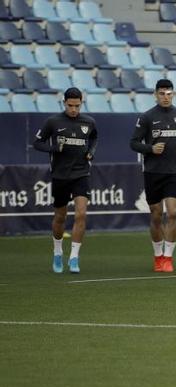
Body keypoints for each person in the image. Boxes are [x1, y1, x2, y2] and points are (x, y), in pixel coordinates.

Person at [129, 78, 176, 273]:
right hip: (153, 172)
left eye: (169, 94)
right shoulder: (147, 117)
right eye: (162, 94)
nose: (166, 97)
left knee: (173, 213)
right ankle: (158, 256)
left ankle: (168, 257)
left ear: (173, 94)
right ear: (155, 94)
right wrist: (150, 148)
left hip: (175, 171)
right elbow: (133, 142)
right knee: (156, 215)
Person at [32, 87, 97, 274]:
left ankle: (74, 257)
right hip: (60, 175)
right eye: (70, 106)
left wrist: (91, 153)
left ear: (81, 103)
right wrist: (54, 148)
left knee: (81, 214)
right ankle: (58, 252)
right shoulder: (53, 121)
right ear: (64, 103)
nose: (74, 110)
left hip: (81, 173)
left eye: (77, 106)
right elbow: (37, 143)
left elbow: (94, 138)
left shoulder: (89, 122)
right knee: (60, 217)